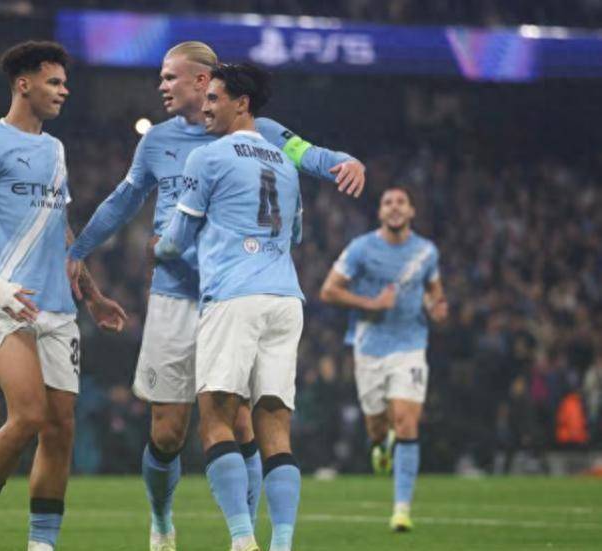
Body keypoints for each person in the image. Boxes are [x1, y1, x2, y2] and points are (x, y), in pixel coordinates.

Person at [66, 41, 364, 551]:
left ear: (204, 81)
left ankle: (241, 536)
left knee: (240, 421)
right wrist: (80, 250)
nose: (161, 85)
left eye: (170, 77)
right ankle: (162, 519)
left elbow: (307, 155)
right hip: (176, 295)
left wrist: (344, 161)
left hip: (230, 293)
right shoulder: (157, 141)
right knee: (167, 431)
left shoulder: (263, 133)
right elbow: (123, 200)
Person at [0, 41, 127, 551]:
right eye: (54, 82)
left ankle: (41, 544)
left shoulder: (55, 150)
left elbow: (60, 229)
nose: (64, 91)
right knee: (28, 415)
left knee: (60, 428)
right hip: (6, 303)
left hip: (58, 309)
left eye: (65, 83)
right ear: (23, 84)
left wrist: (91, 294)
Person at [154, 63, 324, 551]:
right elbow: (296, 235)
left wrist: (158, 247)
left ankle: (242, 539)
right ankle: (282, 544)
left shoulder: (208, 157)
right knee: (276, 428)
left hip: (234, 297)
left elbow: (176, 241)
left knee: (216, 420)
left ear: (242, 104)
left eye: (214, 99)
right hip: (285, 299)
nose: (205, 107)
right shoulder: (286, 164)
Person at [319, 186, 448, 531]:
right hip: (369, 347)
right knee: (376, 427)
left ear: (411, 211)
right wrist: (371, 304)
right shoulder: (361, 248)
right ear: (380, 212)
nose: (394, 207)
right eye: (388, 202)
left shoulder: (426, 252)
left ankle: (401, 510)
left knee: (406, 421)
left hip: (410, 345)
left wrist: (437, 308)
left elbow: (435, 292)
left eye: (401, 202)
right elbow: (329, 290)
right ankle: (381, 444)